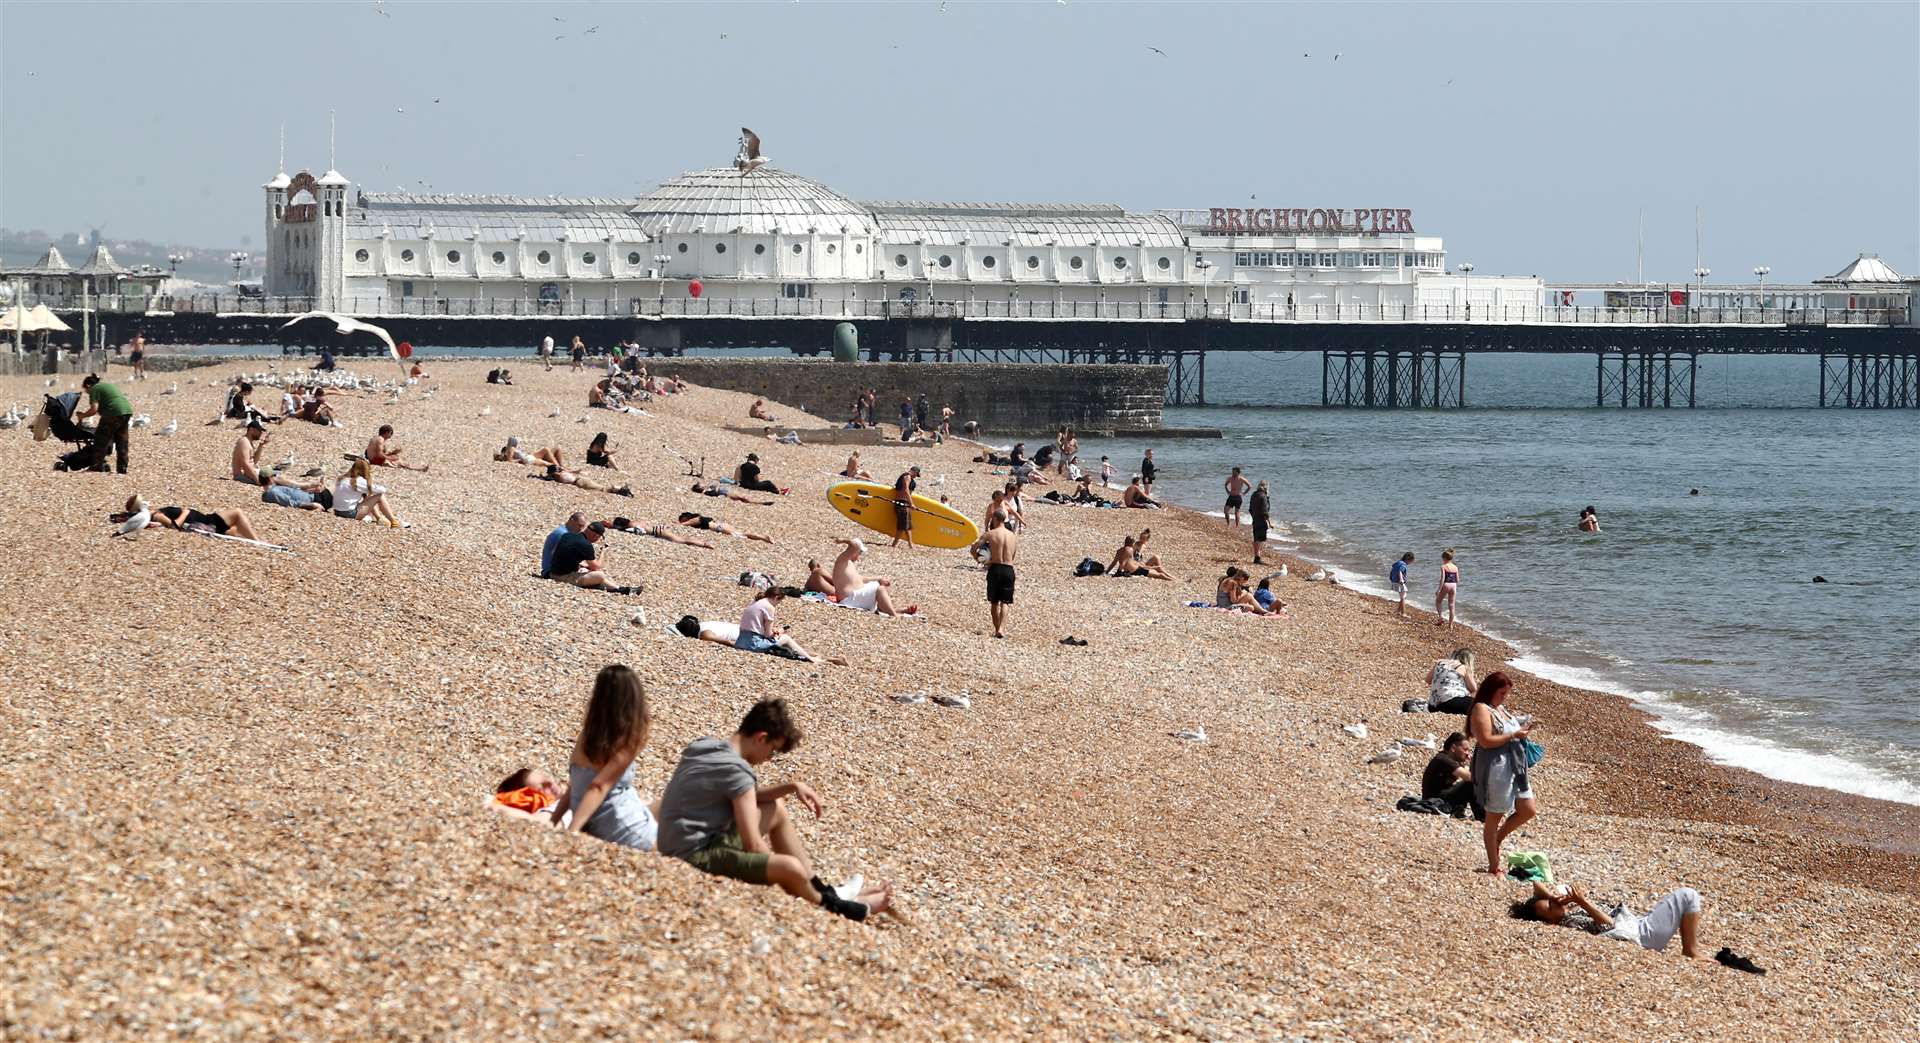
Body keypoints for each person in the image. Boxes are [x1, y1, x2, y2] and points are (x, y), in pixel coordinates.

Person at [655, 698, 893, 921]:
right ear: (761, 738)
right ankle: (838, 906)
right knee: (791, 868)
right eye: (773, 750)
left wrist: (791, 786)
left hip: (674, 840)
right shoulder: (738, 771)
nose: (769, 758)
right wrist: (784, 871)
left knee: (775, 807)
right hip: (694, 853)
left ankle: (824, 890)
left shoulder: (705, 746)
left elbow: (740, 796)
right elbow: (753, 844)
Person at [545, 664, 659, 852]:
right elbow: (598, 786)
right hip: (622, 824)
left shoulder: (587, 735)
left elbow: (575, 784)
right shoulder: (628, 739)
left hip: (608, 817)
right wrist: (573, 830)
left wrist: (555, 821)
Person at [1513, 883, 1740, 969]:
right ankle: (1690, 951)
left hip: (1637, 923)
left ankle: (1689, 947)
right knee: (1688, 895)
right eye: (1551, 907)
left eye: (1552, 903)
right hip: (1641, 935)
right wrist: (1582, 901)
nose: (1554, 904)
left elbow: (1536, 886)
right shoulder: (1570, 921)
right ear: (1551, 923)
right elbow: (1607, 924)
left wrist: (1554, 898)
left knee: (1678, 899)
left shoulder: (1564, 911)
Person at [1468, 671, 1536, 876]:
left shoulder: (1501, 709)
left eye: (1507, 693)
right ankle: (1493, 865)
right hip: (1497, 767)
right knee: (1494, 816)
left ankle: (1498, 838)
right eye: (1502, 693)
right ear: (1491, 690)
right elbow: (1485, 740)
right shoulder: (1481, 709)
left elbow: (1507, 733)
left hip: (1516, 765)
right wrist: (1513, 735)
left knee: (1528, 809)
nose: (1504, 697)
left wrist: (1519, 733)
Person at [120, 495, 263, 542]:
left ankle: (258, 542)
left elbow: (165, 525)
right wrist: (185, 512)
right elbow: (174, 526)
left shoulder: (153, 515)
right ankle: (258, 542)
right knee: (237, 513)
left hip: (203, 520)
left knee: (236, 531)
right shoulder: (156, 515)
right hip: (206, 521)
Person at [549, 520, 637, 594]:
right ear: (596, 535)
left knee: (587, 569)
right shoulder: (586, 545)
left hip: (554, 570)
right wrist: (603, 551)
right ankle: (620, 589)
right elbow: (597, 566)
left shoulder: (568, 535)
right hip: (561, 576)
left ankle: (620, 589)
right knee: (600, 575)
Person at [830, 537, 910, 616]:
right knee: (880, 589)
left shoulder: (847, 563)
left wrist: (878, 579)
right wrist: (843, 540)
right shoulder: (842, 560)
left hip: (853, 598)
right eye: (859, 553)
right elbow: (855, 545)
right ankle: (893, 614)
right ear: (854, 551)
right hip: (849, 599)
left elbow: (860, 579)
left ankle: (891, 609)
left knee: (877, 585)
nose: (858, 557)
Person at [74, 374, 133, 474]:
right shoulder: (107, 386)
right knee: (122, 441)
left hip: (112, 413)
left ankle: (96, 466)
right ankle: (122, 469)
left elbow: (94, 409)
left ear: (88, 386)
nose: (87, 393)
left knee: (100, 439)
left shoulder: (94, 389)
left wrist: (82, 416)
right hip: (126, 411)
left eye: (86, 390)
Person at [335, 456, 400, 528]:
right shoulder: (358, 481)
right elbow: (381, 490)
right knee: (379, 496)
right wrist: (370, 480)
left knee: (368, 496)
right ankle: (393, 521)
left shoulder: (343, 478)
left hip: (337, 511)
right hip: (348, 514)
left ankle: (379, 518)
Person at [1421, 732, 1477, 816]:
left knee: (1467, 784)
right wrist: (1474, 763)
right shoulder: (1443, 759)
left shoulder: (1451, 760)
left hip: (1441, 796)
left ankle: (1458, 811)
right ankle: (1482, 816)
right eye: (1465, 750)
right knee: (1470, 784)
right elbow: (1469, 777)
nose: (1467, 753)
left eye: (1469, 750)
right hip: (1435, 800)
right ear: (1453, 748)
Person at [491, 767, 567, 823]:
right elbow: (538, 821)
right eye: (543, 786)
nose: (551, 782)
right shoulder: (554, 808)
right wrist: (496, 807)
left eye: (546, 777)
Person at [984, 510, 1017, 639]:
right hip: (1009, 569)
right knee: (1005, 602)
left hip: (995, 568)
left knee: (994, 602)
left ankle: (997, 629)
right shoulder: (1013, 536)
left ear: (996, 519)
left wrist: (982, 559)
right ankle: (1002, 629)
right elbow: (1013, 555)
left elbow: (973, 548)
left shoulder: (990, 534)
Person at [1427, 648, 1479, 714]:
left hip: (1433, 706)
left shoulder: (1440, 663)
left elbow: (1428, 680)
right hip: (1451, 702)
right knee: (1479, 704)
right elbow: (1473, 688)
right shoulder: (1464, 667)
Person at [675, 511, 773, 544]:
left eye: (683, 519)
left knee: (742, 534)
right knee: (743, 533)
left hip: (719, 527)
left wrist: (679, 524)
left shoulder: (696, 519)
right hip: (722, 525)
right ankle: (763, 537)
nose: (684, 521)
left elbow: (688, 523)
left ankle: (763, 537)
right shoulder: (701, 519)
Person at [539, 464, 634, 497]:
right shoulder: (558, 475)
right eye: (557, 468)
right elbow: (552, 476)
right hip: (580, 481)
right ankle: (620, 490)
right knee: (601, 488)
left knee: (601, 487)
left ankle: (620, 490)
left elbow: (569, 471)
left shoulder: (560, 474)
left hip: (581, 480)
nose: (559, 468)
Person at [541, 513, 587, 578]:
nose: (581, 529)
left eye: (583, 526)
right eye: (579, 525)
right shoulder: (562, 534)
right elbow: (558, 556)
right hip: (552, 572)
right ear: (571, 520)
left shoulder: (564, 532)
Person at [257, 473, 330, 511]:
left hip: (314, 495)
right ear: (270, 479)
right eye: (275, 476)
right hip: (317, 500)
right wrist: (312, 505)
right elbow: (290, 502)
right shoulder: (272, 492)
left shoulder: (275, 488)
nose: (278, 477)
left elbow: (293, 492)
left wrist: (310, 489)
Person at [889, 466, 919, 549]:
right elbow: (906, 490)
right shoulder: (907, 477)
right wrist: (911, 503)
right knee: (903, 525)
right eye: (916, 474)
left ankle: (909, 544)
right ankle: (896, 544)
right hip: (902, 503)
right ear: (914, 471)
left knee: (907, 525)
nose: (916, 476)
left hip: (905, 504)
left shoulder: (910, 479)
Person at [495, 436, 563, 468]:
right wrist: (519, 461)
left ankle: (560, 466)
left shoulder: (513, 449)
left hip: (529, 457)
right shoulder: (511, 449)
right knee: (546, 449)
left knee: (556, 449)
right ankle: (558, 466)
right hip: (528, 458)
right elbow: (509, 461)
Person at [1434, 548, 1460, 629]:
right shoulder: (1455, 567)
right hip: (1454, 585)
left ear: (1444, 558)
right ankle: (1450, 624)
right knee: (1452, 605)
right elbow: (1458, 579)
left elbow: (1442, 578)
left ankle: (1441, 618)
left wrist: (1438, 589)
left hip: (1446, 584)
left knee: (1438, 601)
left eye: (1442, 559)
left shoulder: (1443, 566)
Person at [692, 480, 773, 506]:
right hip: (725, 492)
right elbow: (716, 489)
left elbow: (715, 483)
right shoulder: (705, 491)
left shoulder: (707, 487)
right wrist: (714, 487)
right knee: (743, 498)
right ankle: (762, 502)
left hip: (725, 490)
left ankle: (761, 502)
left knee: (743, 497)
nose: (702, 483)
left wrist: (713, 486)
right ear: (699, 487)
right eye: (700, 485)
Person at [1249, 480, 1271, 565]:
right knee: (1259, 538)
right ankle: (1257, 557)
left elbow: (1250, 509)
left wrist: (1254, 516)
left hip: (1255, 518)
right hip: (1261, 520)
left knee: (1256, 537)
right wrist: (1269, 523)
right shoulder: (1263, 496)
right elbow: (1265, 511)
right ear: (1266, 488)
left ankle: (1257, 557)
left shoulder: (1254, 495)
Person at [1390, 552, 1416, 617]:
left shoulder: (1398, 562)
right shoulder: (1403, 565)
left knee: (1403, 596)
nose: (1410, 563)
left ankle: (1398, 611)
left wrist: (1391, 578)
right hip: (1399, 582)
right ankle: (1403, 613)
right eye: (1411, 562)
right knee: (1403, 597)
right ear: (1408, 559)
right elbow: (1400, 571)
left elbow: (1392, 570)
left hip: (1394, 581)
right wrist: (1401, 579)